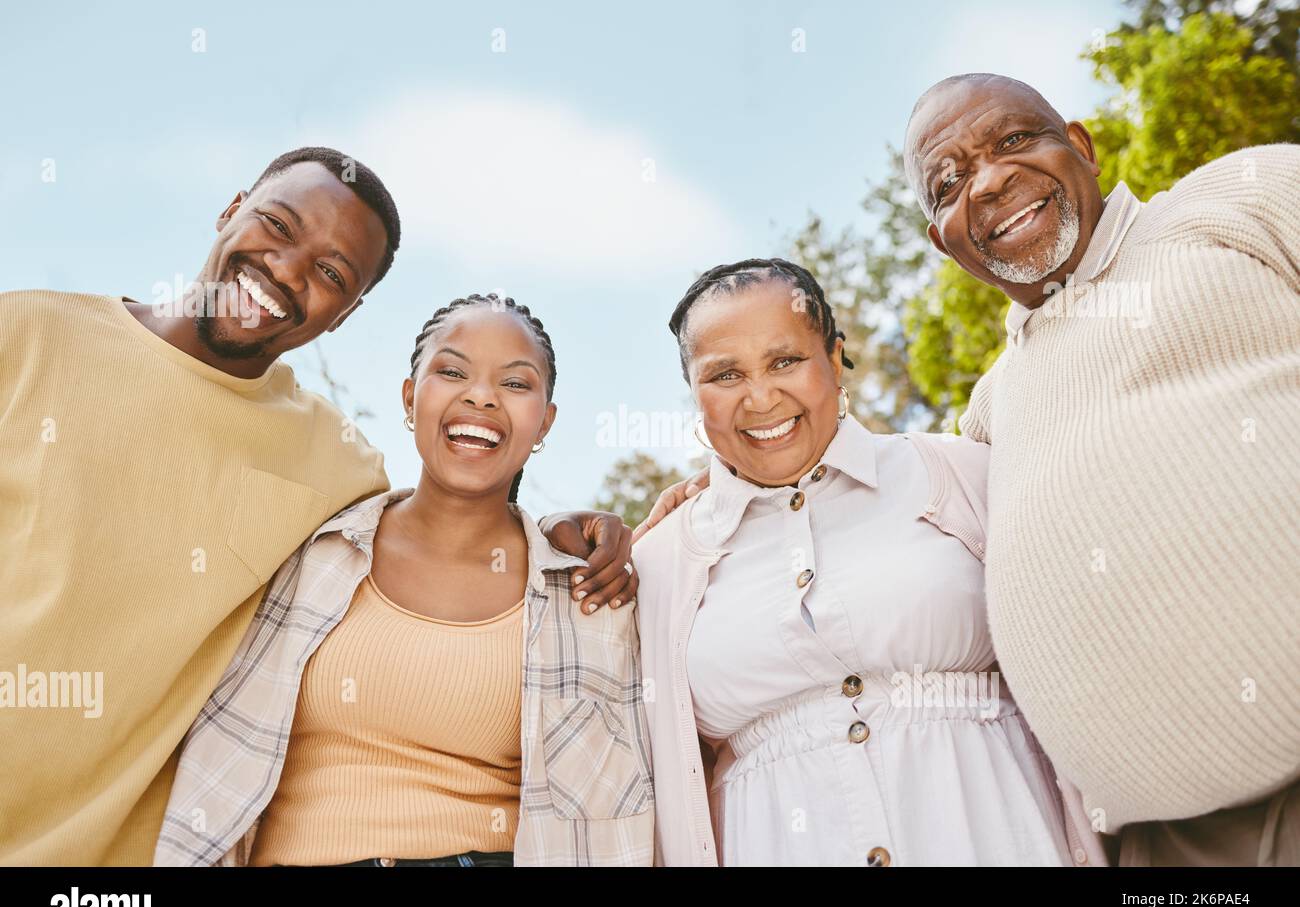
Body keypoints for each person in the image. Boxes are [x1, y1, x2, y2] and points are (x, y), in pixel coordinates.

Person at [644, 75, 1300, 866]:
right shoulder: (995, 410)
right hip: (1168, 846)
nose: (987, 180)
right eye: (949, 182)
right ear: (943, 238)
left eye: (1015, 140)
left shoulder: (1238, 204)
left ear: (1083, 148)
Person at [0, 150, 634, 866]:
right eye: (276, 223)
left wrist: (564, 532)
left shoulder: (336, 466)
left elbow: (451, 516)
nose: (287, 269)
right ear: (231, 208)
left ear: (347, 313)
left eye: (332, 272)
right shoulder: (25, 335)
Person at [155, 294, 653, 867]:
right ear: (411, 398)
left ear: (545, 421)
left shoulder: (589, 593)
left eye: (515, 384)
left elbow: (624, 800)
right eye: (452, 371)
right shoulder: (308, 548)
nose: (481, 395)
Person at [632, 258, 1101, 866]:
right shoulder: (659, 564)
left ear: (832, 357)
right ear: (695, 394)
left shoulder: (961, 474)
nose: (761, 396)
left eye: (786, 361)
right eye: (725, 375)